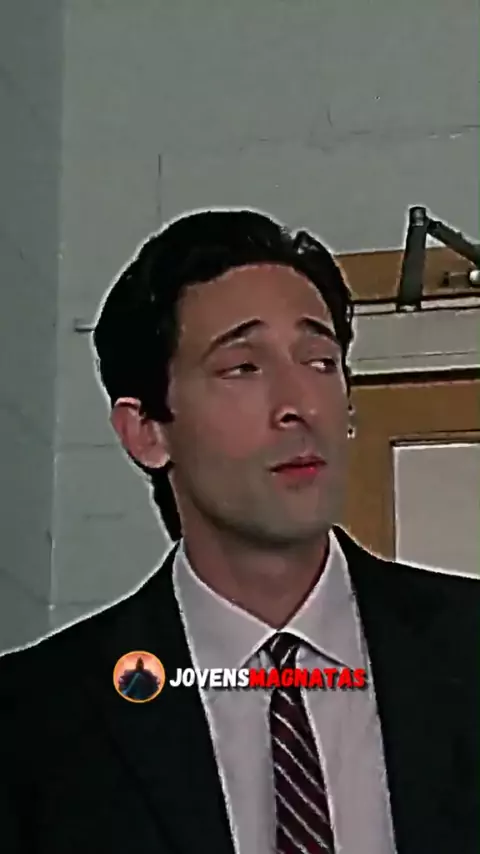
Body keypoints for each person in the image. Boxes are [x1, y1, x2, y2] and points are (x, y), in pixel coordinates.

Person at [0, 209, 478, 854]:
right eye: (243, 368)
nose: (299, 405)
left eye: (320, 361)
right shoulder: (33, 721)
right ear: (147, 431)